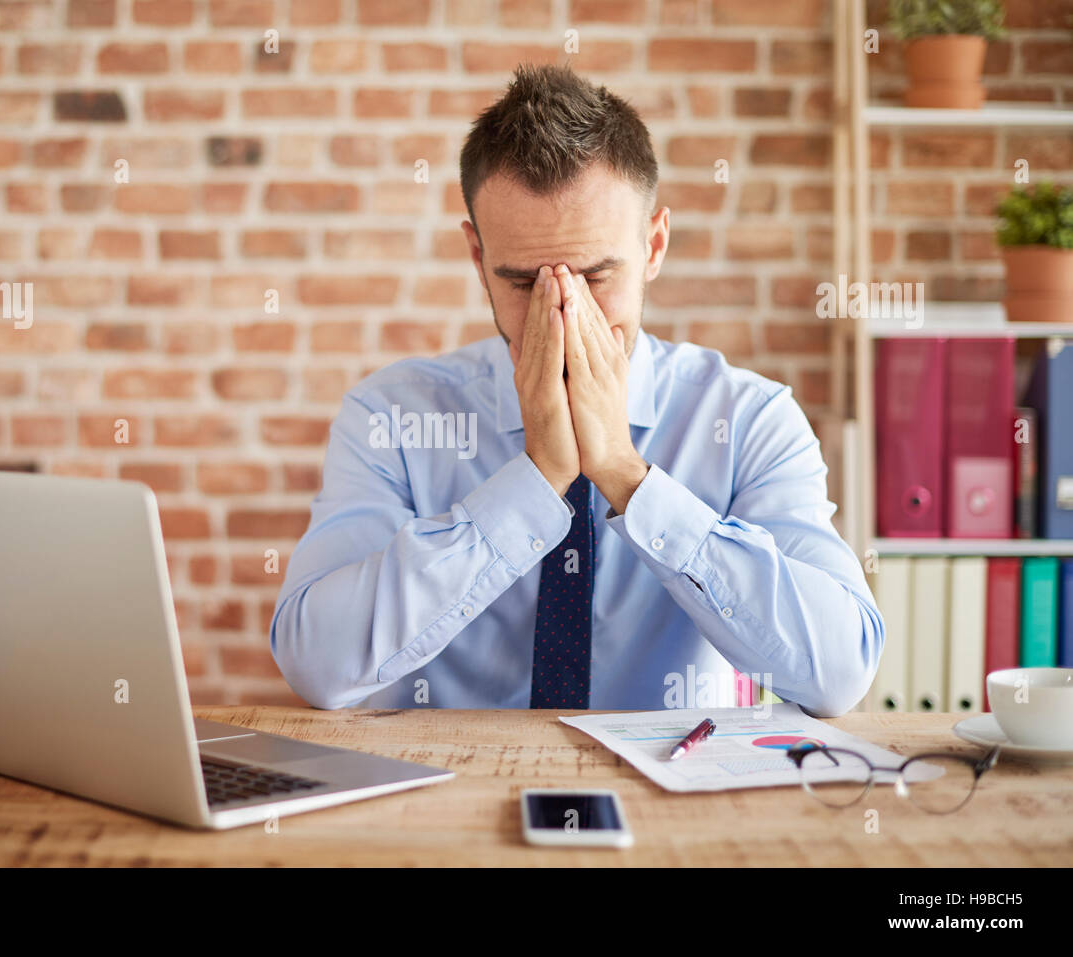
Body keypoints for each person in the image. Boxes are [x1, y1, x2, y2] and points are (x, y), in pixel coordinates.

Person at [269, 63, 883, 716]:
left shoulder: (748, 417)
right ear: (477, 258)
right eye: (523, 281)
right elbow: (318, 666)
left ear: (653, 245)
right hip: (445, 795)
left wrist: (626, 474)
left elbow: (839, 672)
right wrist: (536, 480)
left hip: (672, 802)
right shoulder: (392, 416)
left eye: (594, 277)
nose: (562, 313)